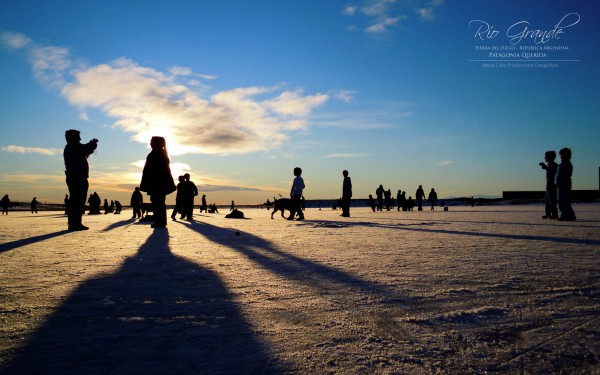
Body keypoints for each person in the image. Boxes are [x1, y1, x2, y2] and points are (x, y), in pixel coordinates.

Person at [63, 129, 98, 230]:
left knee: (77, 200)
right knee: (77, 200)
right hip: (77, 177)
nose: (80, 138)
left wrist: (91, 146)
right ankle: (75, 224)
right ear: (74, 137)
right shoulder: (73, 146)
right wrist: (93, 143)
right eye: (78, 136)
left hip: (75, 176)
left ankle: (75, 223)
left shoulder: (71, 147)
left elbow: (84, 151)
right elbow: (85, 149)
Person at [140, 136, 176, 228]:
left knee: (158, 202)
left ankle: (160, 222)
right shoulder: (159, 153)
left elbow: (155, 171)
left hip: (157, 184)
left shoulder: (157, 154)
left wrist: (150, 183)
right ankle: (160, 221)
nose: (150, 143)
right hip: (157, 184)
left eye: (152, 142)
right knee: (157, 202)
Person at [556, 147, 576, 221]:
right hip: (563, 183)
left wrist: (558, 181)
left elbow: (563, 174)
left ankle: (565, 215)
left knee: (563, 200)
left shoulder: (565, 163)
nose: (560, 157)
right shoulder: (563, 163)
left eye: (561, 155)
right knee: (564, 200)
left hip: (564, 183)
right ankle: (570, 215)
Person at [539, 151, 558, 219]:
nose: (544, 157)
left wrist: (545, 167)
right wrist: (545, 167)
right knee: (547, 199)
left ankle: (554, 214)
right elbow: (550, 170)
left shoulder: (553, 165)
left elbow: (553, 172)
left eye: (546, 156)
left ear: (550, 157)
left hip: (551, 184)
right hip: (549, 184)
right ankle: (548, 213)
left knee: (551, 199)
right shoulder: (552, 165)